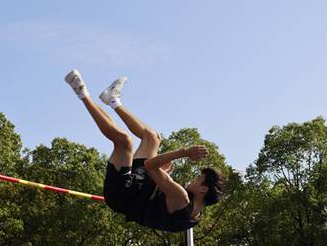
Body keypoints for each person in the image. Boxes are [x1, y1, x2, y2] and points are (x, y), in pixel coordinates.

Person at [65, 70, 225, 233]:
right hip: (139, 189)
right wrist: (161, 175)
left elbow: (150, 165)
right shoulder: (194, 215)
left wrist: (184, 152)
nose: (193, 179)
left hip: (122, 196)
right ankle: (112, 99)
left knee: (123, 141)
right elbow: (157, 206)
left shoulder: (182, 199)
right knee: (152, 137)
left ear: (203, 189)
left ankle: (81, 91)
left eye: (198, 179)